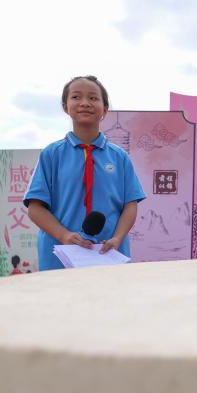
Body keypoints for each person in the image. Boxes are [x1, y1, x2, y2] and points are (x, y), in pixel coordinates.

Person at [25, 75, 146, 271]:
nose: (85, 103)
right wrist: (64, 235)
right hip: (60, 255)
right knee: (60, 292)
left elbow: (130, 205)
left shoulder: (120, 157)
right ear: (65, 107)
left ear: (105, 109)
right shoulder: (51, 154)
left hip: (108, 253)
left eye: (93, 98)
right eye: (76, 97)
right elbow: (35, 208)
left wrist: (117, 238)